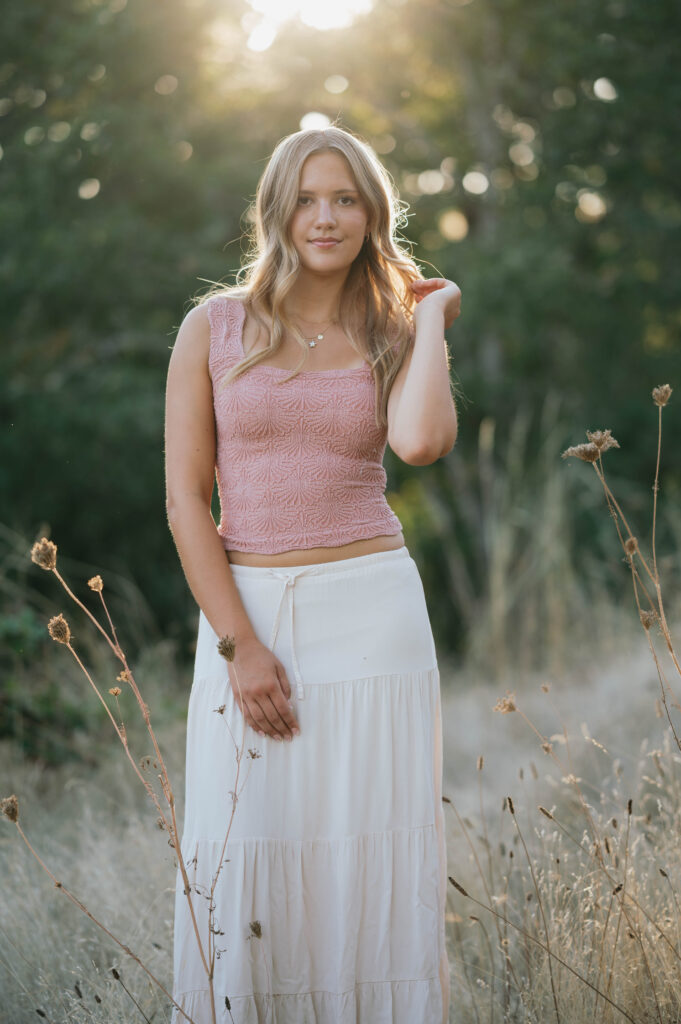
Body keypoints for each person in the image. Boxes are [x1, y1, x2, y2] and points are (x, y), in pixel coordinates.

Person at [165, 124, 460, 1024]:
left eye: (344, 199)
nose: (323, 217)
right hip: (247, 612)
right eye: (305, 198)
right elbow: (186, 504)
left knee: (366, 852)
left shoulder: (394, 327)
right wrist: (239, 645)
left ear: (371, 214)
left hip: (372, 615)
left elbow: (418, 443)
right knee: (244, 845)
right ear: (276, 210)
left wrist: (435, 314)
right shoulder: (211, 327)